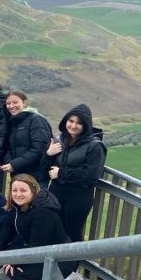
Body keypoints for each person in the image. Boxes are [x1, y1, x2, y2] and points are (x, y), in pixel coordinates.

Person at [43, 104, 106, 244]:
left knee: (72, 232)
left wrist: (61, 173)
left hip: (78, 196)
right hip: (56, 193)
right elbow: (46, 169)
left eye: (79, 123)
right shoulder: (60, 140)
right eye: (71, 121)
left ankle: (71, 265)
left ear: (86, 125)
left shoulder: (95, 146)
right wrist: (48, 154)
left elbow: (92, 175)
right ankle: (53, 264)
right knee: (54, 230)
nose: (73, 125)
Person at [0, 174, 72, 280]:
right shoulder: (16, 208)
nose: (18, 194)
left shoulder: (43, 212)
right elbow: (4, 236)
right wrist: (0, 258)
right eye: (14, 190)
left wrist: (13, 262)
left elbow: (37, 246)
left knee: (17, 274)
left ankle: (68, 277)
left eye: (23, 190)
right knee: (7, 269)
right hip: (33, 249)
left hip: (58, 256)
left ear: (33, 191)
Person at [0, 90, 52, 186]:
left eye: (15, 102)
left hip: (36, 177)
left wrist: (14, 164)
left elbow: (40, 149)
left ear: (24, 103)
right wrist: (9, 162)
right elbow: (9, 147)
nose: (11, 106)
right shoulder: (14, 121)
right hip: (18, 175)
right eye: (8, 103)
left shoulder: (36, 120)